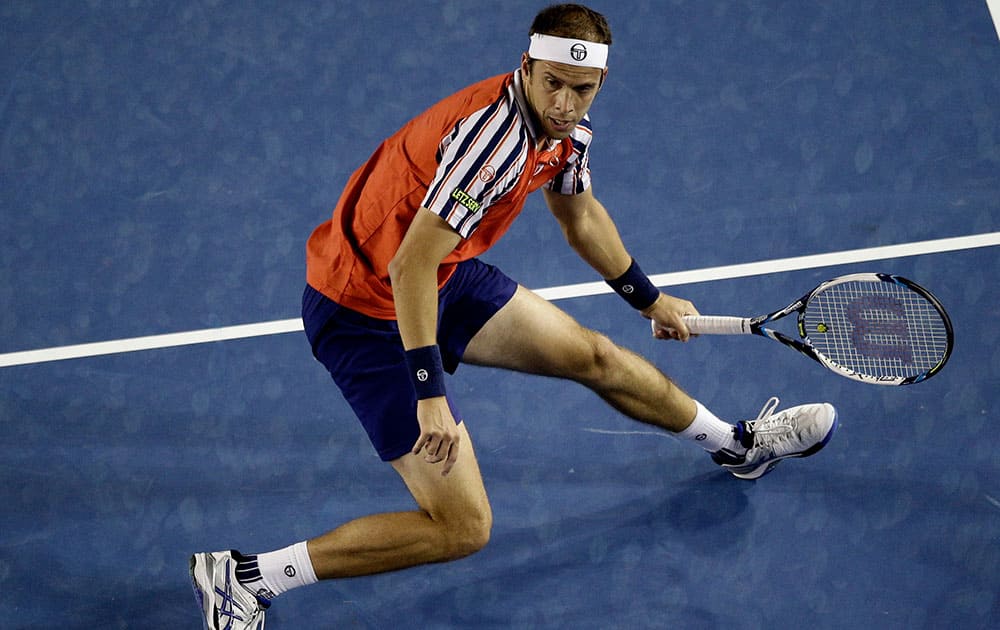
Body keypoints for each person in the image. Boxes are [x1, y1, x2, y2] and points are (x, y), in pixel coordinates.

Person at [190, 4, 838, 628]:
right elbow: (407, 268)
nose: (564, 103)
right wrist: (429, 394)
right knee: (463, 527)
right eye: (552, 83)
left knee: (596, 356)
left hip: (444, 270)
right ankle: (248, 577)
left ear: (600, 83)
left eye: (580, 89)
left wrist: (648, 297)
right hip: (362, 307)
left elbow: (578, 214)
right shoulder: (490, 143)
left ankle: (737, 445)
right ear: (526, 66)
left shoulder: (568, 132)